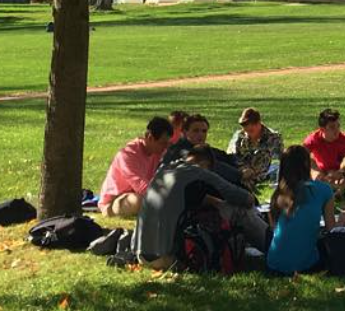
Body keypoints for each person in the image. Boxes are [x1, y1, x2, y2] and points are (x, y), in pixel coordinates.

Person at [132, 145, 269, 269]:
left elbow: (194, 199)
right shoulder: (198, 172)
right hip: (168, 258)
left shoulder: (164, 171)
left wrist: (216, 202)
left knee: (216, 207)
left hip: (142, 256)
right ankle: (274, 248)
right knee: (240, 212)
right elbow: (246, 199)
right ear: (206, 164)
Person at [266, 144, 344, 274]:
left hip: (273, 263)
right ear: (307, 164)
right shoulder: (323, 189)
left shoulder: (279, 193)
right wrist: (342, 220)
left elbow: (274, 227)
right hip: (304, 265)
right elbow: (332, 231)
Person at [98, 116, 173, 218]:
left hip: (140, 193)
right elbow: (140, 185)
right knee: (138, 201)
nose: (165, 148)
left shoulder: (158, 152)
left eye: (167, 144)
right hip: (114, 201)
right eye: (162, 144)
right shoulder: (127, 155)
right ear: (149, 137)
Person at [158, 114, 244, 186]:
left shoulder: (199, 147)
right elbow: (215, 166)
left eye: (204, 131)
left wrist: (242, 167)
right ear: (184, 132)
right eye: (195, 131)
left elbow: (225, 156)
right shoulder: (181, 151)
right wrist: (241, 175)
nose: (201, 135)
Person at [303, 108, 345, 193]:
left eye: (338, 126)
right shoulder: (313, 139)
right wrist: (315, 170)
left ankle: (338, 192)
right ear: (322, 129)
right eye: (332, 127)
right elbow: (301, 156)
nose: (337, 130)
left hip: (342, 171)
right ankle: (330, 189)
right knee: (314, 171)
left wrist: (340, 172)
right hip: (322, 171)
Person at [227, 107, 284, 189]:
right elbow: (231, 155)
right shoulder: (239, 136)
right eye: (244, 127)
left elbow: (280, 158)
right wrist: (243, 169)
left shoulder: (274, 138)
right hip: (241, 172)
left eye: (251, 130)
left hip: (262, 174)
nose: (247, 132)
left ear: (258, 123)